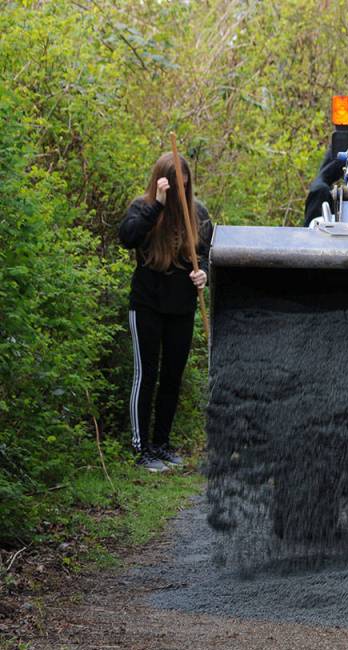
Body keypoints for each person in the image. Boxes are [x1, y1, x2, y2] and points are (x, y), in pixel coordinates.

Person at [119, 152, 212, 472]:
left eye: (183, 180)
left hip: (181, 307)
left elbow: (207, 257)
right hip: (146, 304)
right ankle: (140, 448)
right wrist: (157, 203)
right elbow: (127, 238)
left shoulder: (197, 214)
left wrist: (205, 276)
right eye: (172, 181)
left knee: (173, 377)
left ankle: (161, 443)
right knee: (146, 376)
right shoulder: (142, 208)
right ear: (161, 180)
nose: (178, 186)